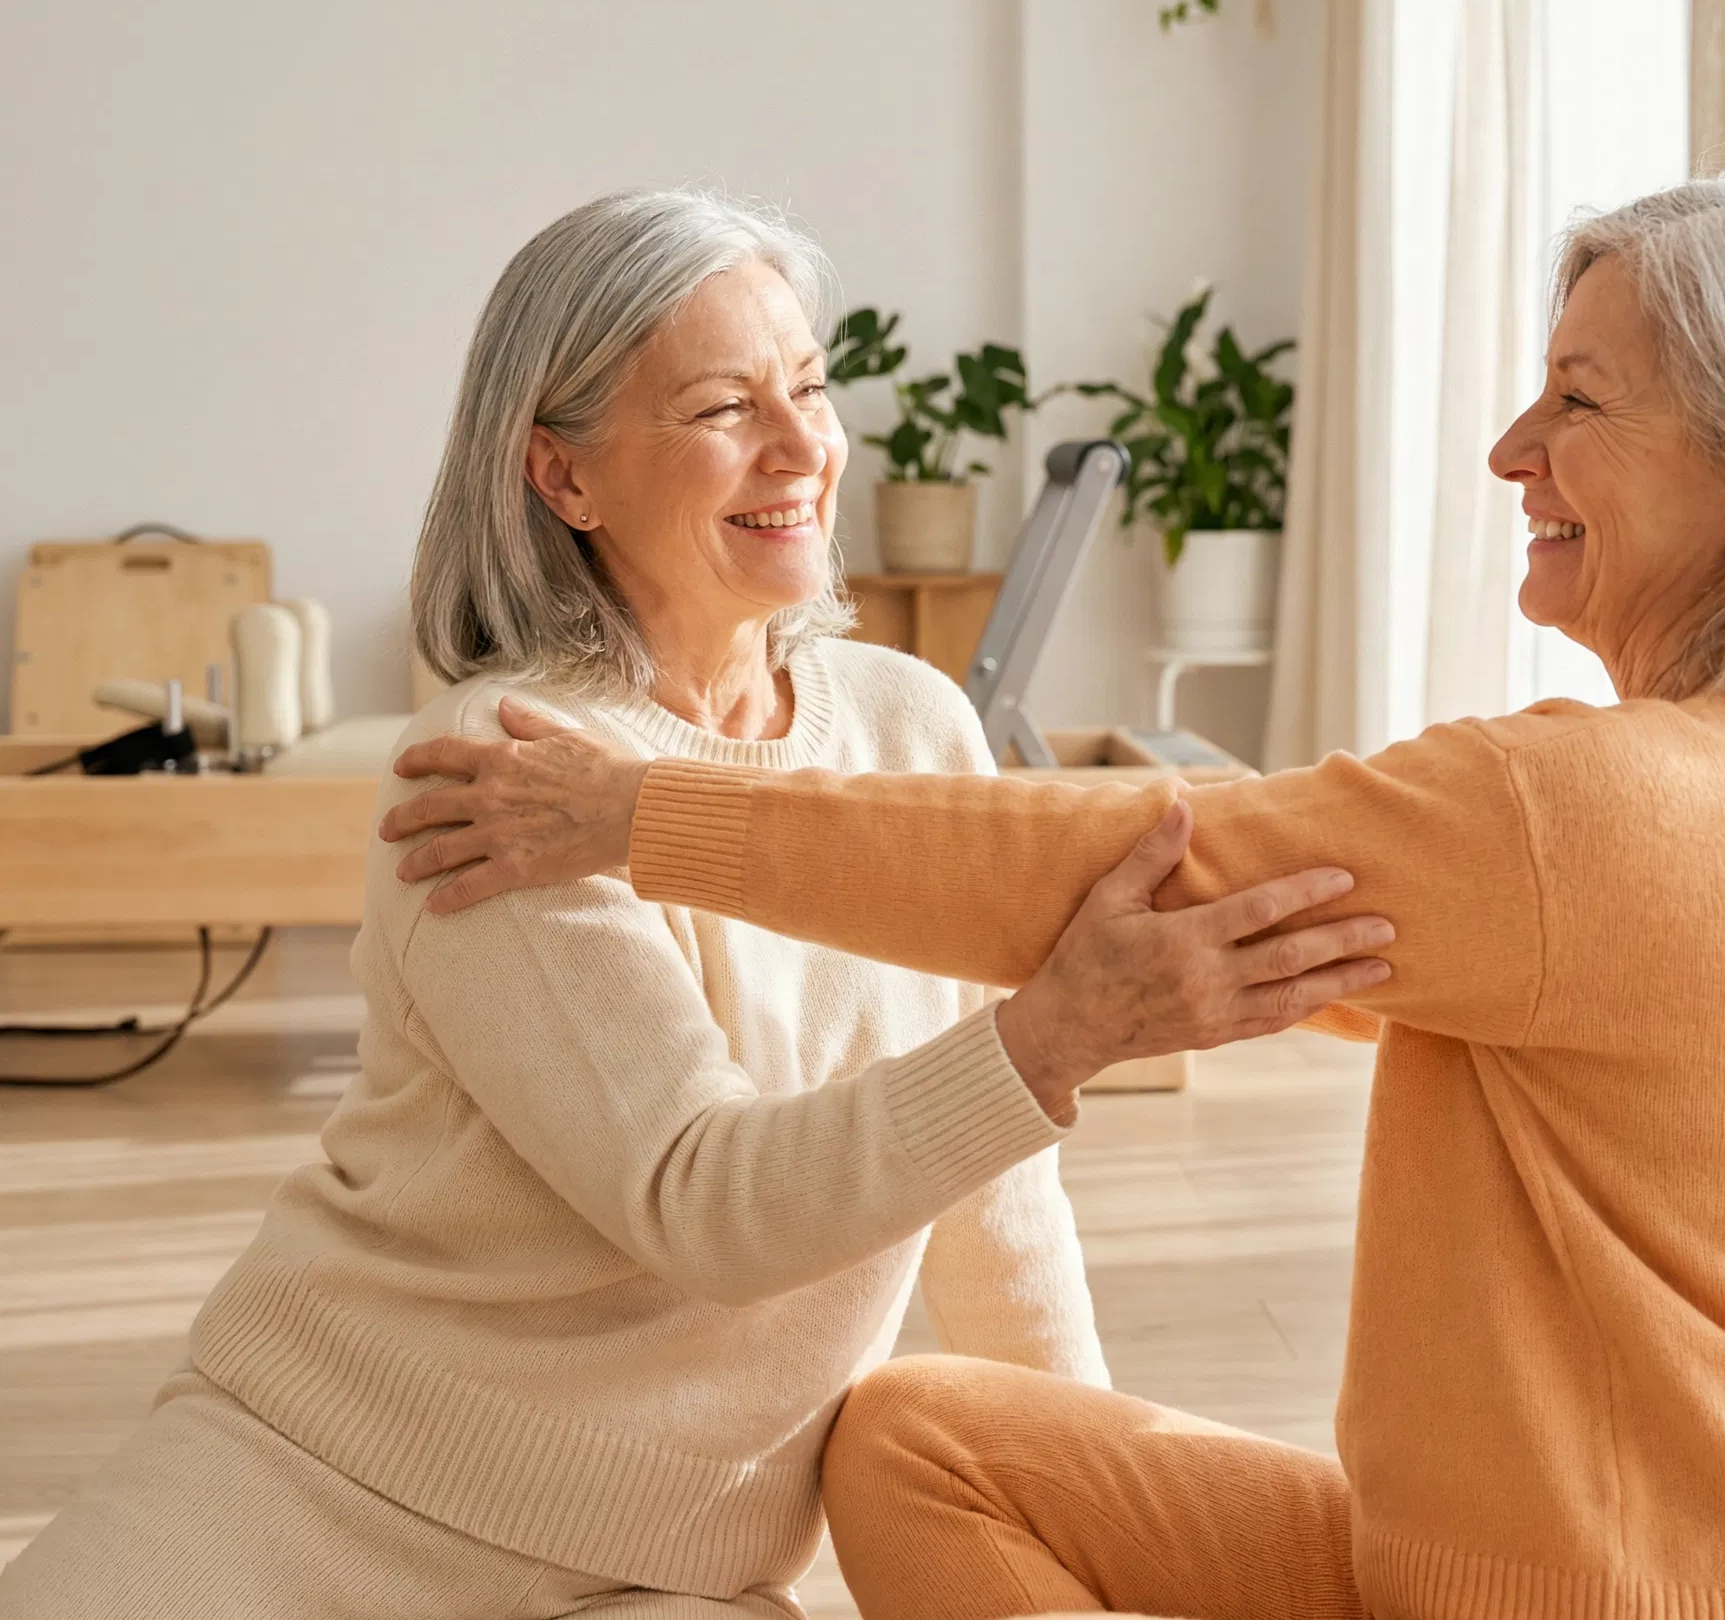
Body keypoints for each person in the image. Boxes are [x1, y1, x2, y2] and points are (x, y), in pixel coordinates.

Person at [375, 173, 1725, 1617]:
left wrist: (638, 812)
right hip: (1581, 1548)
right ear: (558, 474)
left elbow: (1099, 867)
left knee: (920, 1446)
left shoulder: (1600, 806)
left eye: (1578, 400)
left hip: (1616, 1585)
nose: (1514, 448)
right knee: (925, 1439)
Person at [0, 191, 1392, 1620]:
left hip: (671, 1569)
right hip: (317, 1488)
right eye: (727, 408)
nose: (803, 450)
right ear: (563, 475)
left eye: (809, 388)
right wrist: (1052, 1037)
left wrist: (1094, 1509)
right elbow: (703, 1203)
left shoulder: (912, 727)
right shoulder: (506, 774)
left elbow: (997, 1199)